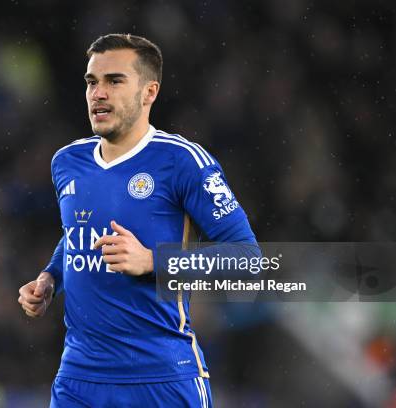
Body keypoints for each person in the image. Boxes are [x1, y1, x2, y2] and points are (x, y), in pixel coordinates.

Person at [18, 33, 258, 407]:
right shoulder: (67, 162)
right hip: (78, 380)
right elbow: (77, 233)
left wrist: (153, 262)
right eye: (91, 82)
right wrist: (51, 277)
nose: (98, 93)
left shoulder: (183, 162)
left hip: (162, 378)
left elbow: (248, 260)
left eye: (114, 81)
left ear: (149, 93)